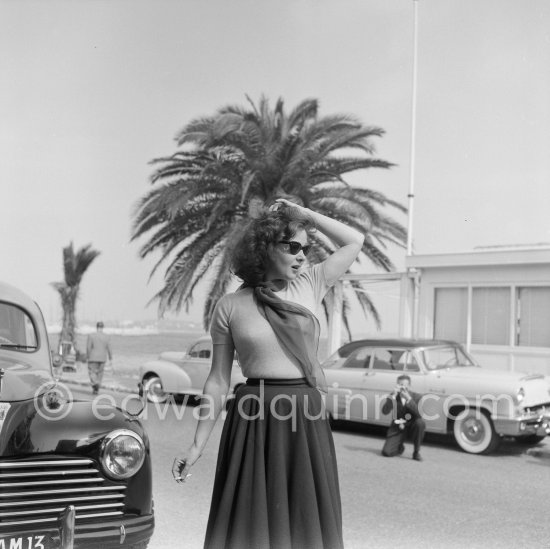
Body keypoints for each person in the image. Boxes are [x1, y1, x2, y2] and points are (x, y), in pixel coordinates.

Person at [172, 198, 364, 549]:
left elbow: (354, 241)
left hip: (304, 415)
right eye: (292, 246)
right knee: (251, 523)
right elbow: (217, 379)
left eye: (306, 248)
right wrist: (197, 445)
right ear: (264, 246)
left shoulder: (310, 284)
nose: (302, 255)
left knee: (305, 521)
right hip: (253, 415)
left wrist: (306, 216)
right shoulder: (229, 306)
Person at [380, 374, 425, 461]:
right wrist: (392, 396)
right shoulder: (393, 396)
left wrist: (409, 399)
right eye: (399, 385)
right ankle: (399, 446)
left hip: (412, 426)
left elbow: (419, 414)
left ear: (409, 386)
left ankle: (416, 452)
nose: (402, 387)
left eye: (404, 385)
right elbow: (385, 412)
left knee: (420, 423)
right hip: (398, 426)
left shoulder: (417, 397)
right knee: (386, 452)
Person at [86, 321, 112, 395]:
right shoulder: (107, 336)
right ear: (102, 327)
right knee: (100, 373)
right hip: (103, 358)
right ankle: (97, 386)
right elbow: (109, 348)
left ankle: (95, 384)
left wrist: (88, 356)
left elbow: (88, 347)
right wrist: (111, 358)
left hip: (93, 357)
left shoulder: (91, 335)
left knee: (92, 371)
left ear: (96, 327)